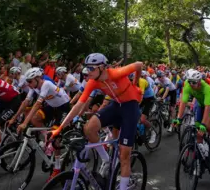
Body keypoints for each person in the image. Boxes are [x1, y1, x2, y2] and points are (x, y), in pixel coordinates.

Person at [51, 53, 142, 190]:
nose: (88, 72)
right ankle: (106, 159)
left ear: (102, 67)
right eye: (87, 68)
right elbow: (78, 106)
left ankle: (123, 186)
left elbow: (139, 64)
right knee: (88, 128)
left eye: (92, 68)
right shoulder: (93, 82)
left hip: (130, 107)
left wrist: (135, 83)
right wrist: (60, 127)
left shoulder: (116, 73)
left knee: (124, 155)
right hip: (116, 105)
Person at [9, 67, 70, 181]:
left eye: (30, 82)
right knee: (35, 119)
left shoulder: (46, 84)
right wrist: (14, 118)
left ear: (37, 78)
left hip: (64, 108)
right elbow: (25, 102)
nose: (29, 85)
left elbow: (37, 105)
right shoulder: (34, 86)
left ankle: (57, 168)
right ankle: (47, 137)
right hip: (52, 107)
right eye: (28, 82)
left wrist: (24, 123)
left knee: (56, 138)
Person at [173, 69, 210, 160]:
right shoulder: (187, 84)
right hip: (200, 105)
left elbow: (207, 108)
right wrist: (178, 118)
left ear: (199, 81)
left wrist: (204, 124)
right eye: (189, 81)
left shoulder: (206, 87)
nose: (191, 84)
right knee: (199, 133)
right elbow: (183, 103)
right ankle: (201, 156)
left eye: (194, 82)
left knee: (208, 126)